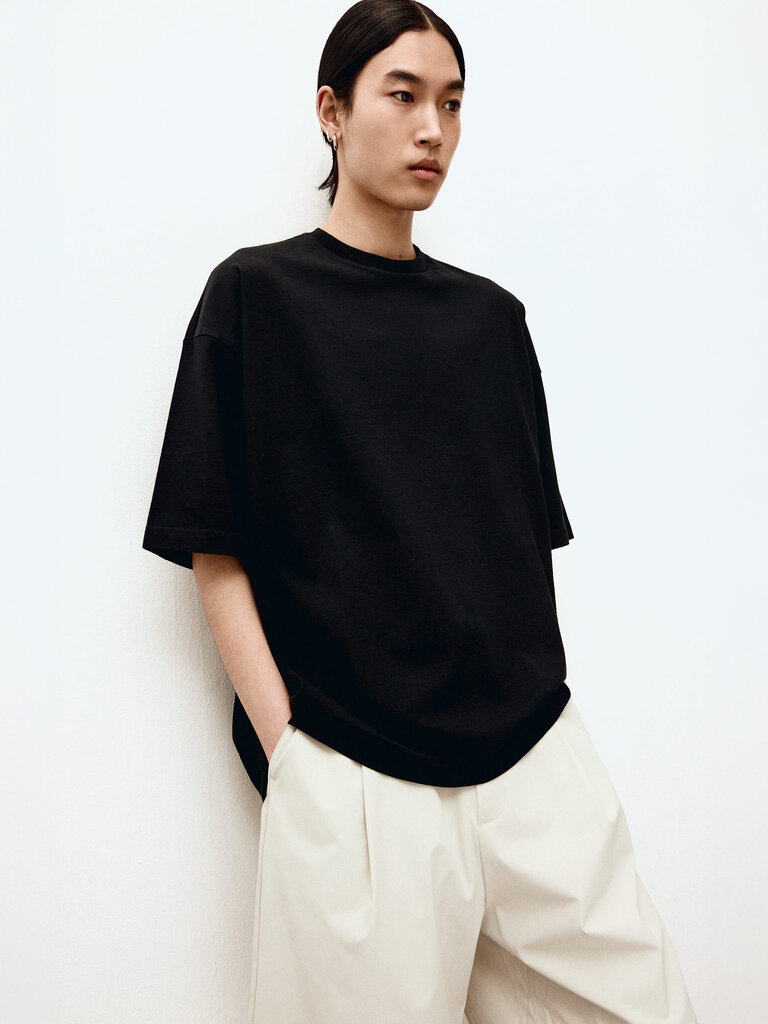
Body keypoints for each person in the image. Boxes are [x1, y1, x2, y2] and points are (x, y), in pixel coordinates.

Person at [142, 2, 700, 1021]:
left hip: (532, 757)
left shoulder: (492, 320)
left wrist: (545, 721)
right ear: (331, 111)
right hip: (354, 771)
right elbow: (212, 546)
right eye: (402, 96)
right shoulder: (255, 297)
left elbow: (519, 549)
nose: (431, 128)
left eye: (451, 103)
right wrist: (293, 753)